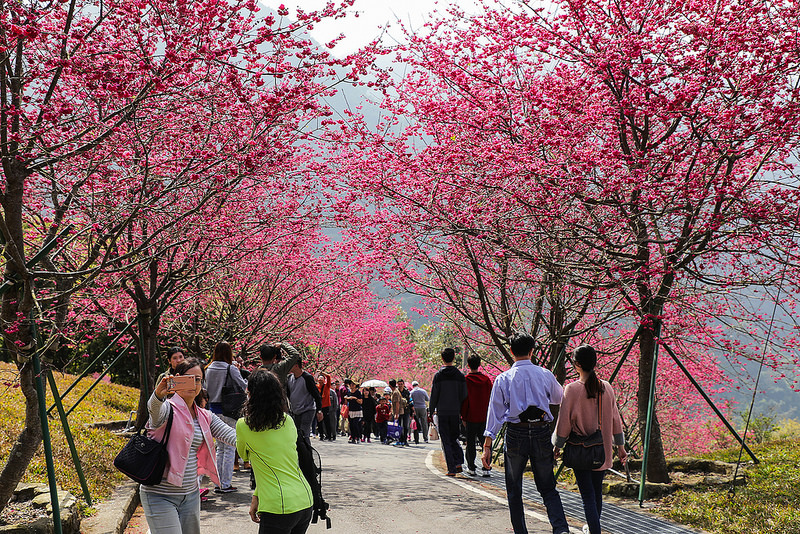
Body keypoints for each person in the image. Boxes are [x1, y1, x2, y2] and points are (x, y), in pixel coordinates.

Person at [481, 333, 569, 534]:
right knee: (548, 487)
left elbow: (494, 413)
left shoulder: (503, 378)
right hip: (541, 431)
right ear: (532, 351)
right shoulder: (545, 374)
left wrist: (487, 446)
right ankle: (561, 529)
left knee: (514, 489)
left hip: (515, 433)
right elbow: (558, 398)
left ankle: (521, 531)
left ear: (511, 352)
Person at [141, 358, 236, 534]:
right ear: (177, 379)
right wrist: (158, 395)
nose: (194, 384)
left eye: (198, 379)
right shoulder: (167, 409)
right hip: (160, 495)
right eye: (189, 378)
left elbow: (230, 436)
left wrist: (259, 442)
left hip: (191, 495)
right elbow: (154, 412)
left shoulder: (205, 416)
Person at [554, 345, 627, 534]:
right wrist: (620, 446)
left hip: (581, 451)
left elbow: (564, 422)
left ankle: (594, 530)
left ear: (577, 364)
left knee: (587, 495)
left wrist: (558, 445)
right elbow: (616, 419)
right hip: (602, 450)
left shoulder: (571, 389)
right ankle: (593, 526)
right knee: (596, 493)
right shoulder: (606, 387)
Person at [236, 370, 313, 534]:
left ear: (251, 393)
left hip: (279, 507)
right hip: (304, 500)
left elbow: (244, 455)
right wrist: (256, 497)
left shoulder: (244, 425)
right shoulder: (288, 420)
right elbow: (277, 463)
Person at [205, 341, 247, 493]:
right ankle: (226, 484)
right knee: (229, 448)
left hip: (213, 411)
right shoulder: (230, 368)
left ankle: (217, 483)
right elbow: (243, 386)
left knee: (219, 449)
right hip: (229, 410)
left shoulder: (208, 369)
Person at [429, 348, 467, 475]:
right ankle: (458, 462)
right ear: (454, 358)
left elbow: (434, 395)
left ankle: (451, 468)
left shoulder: (438, 375)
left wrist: (431, 410)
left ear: (442, 358)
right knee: (454, 437)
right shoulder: (460, 375)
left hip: (443, 412)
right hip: (455, 412)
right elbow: (464, 395)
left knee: (445, 439)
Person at [462, 354, 493, 476]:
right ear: (479, 364)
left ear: (468, 365)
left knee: (470, 443)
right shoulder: (486, 380)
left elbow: (464, 400)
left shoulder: (466, 380)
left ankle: (471, 467)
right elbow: (492, 398)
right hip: (485, 416)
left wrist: (463, 416)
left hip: (471, 416)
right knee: (485, 442)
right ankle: (486, 467)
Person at [287, 361, 323, 444]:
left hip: (307, 409)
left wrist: (319, 410)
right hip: (295, 410)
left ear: (296, 366)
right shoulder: (289, 378)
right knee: (296, 434)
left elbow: (316, 395)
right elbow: (288, 395)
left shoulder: (307, 378)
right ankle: (300, 454)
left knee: (304, 433)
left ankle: (307, 454)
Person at [389, 379, 407, 447]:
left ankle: (400, 441)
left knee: (398, 427)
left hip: (399, 412)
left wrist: (396, 413)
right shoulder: (395, 391)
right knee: (398, 426)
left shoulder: (396, 392)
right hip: (397, 411)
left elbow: (397, 403)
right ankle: (400, 440)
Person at [316, 373, 333, 441]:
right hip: (319, 406)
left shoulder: (327, 386)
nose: (320, 381)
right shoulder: (316, 386)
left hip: (326, 406)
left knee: (327, 421)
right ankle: (321, 435)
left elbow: (328, 376)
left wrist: (322, 373)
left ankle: (329, 435)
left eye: (322, 380)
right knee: (319, 421)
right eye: (319, 380)